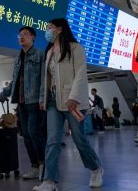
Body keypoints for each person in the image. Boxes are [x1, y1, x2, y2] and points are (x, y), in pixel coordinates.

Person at [33, 18, 103, 190]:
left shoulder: (75, 48)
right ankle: (49, 181)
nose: (47, 31)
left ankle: (95, 168)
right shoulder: (49, 51)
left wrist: (74, 96)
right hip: (52, 101)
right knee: (52, 141)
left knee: (79, 139)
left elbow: (80, 74)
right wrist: (42, 98)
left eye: (50, 27)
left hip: (72, 101)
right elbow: (46, 78)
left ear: (60, 29)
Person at [0, 26, 45, 180]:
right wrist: (3, 94)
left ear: (33, 37)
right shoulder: (18, 58)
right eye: (20, 35)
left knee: (33, 132)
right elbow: (14, 82)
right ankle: (35, 166)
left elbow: (45, 78)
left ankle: (44, 164)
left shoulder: (40, 54)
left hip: (35, 101)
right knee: (25, 135)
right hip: (22, 103)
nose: (21, 37)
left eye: (25, 34)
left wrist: (43, 98)